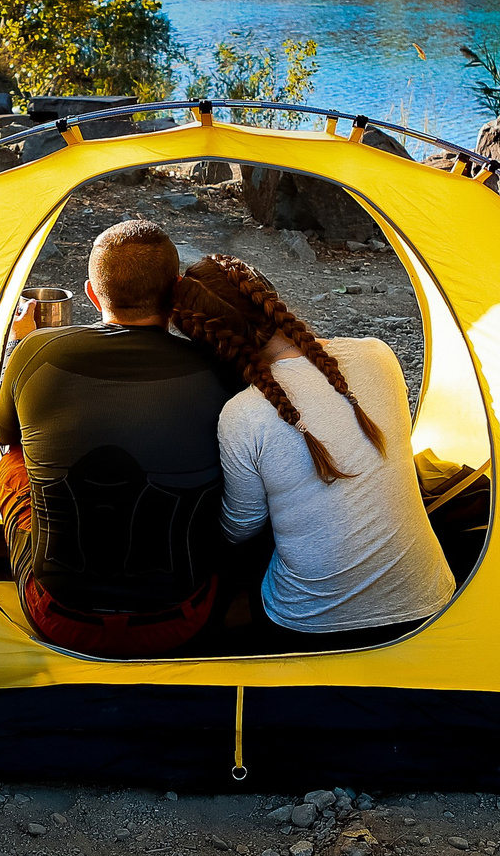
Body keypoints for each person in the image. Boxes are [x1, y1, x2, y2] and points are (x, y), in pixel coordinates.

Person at [170, 254, 453, 650]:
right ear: (268, 296)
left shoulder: (243, 415)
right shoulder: (378, 355)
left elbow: (239, 529)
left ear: (212, 346)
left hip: (309, 623)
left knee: (227, 582)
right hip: (430, 604)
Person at [0, 220, 236, 656]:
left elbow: (5, 436)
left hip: (58, 616)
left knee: (14, 459)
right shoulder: (217, 365)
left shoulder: (34, 351)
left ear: (90, 293)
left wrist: (26, 346)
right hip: (184, 617)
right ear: (176, 290)